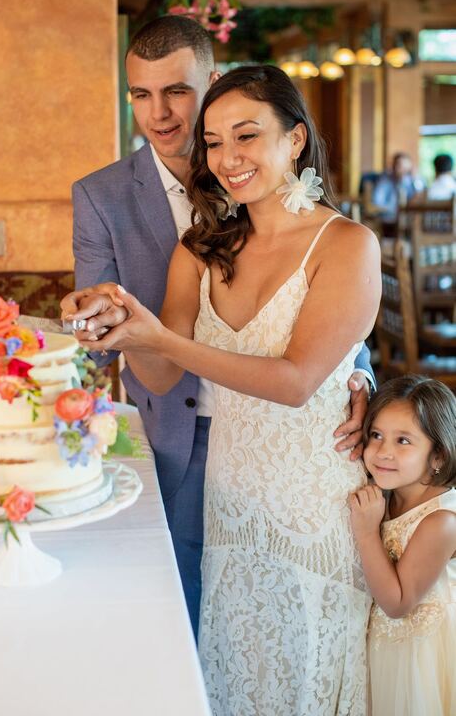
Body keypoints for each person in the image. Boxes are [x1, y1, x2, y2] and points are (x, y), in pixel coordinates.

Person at [70, 65, 382, 715]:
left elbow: (296, 381)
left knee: (304, 670)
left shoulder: (347, 246)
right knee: (233, 671)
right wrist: (125, 326)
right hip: (230, 500)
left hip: (309, 501)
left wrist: (160, 337)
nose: (227, 158)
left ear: (294, 140)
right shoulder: (202, 248)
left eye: (246, 136)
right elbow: (160, 373)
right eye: (213, 142)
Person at [350, 375, 456, 716]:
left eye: (403, 441)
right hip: (383, 652)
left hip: (421, 657)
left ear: (438, 455)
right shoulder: (388, 490)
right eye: (376, 435)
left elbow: (397, 604)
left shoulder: (441, 522)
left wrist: (367, 533)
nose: (383, 452)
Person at [370, 152, 424, 224]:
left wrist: (415, 178)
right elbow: (377, 202)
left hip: (410, 220)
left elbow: (421, 196)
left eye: (406, 168)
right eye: (400, 166)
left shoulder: (412, 180)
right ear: (393, 166)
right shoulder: (385, 180)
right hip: (388, 220)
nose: (403, 170)